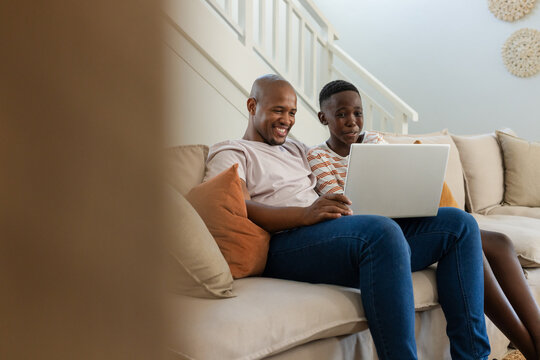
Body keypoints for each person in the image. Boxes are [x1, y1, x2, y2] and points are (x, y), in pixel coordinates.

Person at [204, 74, 490, 360]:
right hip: (286, 243)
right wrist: (305, 215)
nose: (287, 120)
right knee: (381, 231)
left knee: (459, 224)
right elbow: (240, 206)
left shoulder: (297, 149)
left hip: (332, 235)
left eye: (292, 112)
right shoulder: (231, 151)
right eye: (278, 110)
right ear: (252, 106)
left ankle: (473, 356)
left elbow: (336, 170)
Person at [308, 79, 540, 359]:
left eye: (358, 113)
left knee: (495, 239)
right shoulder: (318, 156)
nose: (352, 122)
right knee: (478, 245)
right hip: (376, 235)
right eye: (342, 114)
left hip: (404, 223)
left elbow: (395, 185)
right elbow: (341, 206)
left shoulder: (373, 141)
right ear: (323, 118)